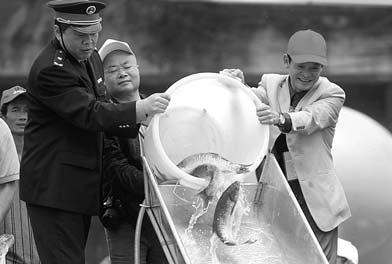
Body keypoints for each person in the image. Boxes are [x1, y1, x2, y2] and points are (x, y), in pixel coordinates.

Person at [19, 1, 170, 263]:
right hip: (54, 187)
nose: (89, 43)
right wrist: (139, 109)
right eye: (80, 36)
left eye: (94, 34)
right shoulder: (51, 69)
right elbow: (91, 112)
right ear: (58, 31)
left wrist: (141, 120)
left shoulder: (91, 58)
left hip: (79, 186)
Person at [222, 29, 351, 264]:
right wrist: (235, 85)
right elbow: (249, 101)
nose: (307, 74)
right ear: (286, 61)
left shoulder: (333, 93)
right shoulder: (270, 83)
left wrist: (281, 119)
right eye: (301, 66)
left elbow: (312, 118)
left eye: (315, 67)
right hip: (276, 194)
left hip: (315, 201)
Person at [98, 39, 168, 264]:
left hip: (166, 215)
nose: (122, 73)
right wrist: (154, 186)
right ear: (102, 80)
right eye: (112, 70)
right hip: (126, 218)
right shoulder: (102, 117)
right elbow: (114, 167)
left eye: (127, 67)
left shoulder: (164, 108)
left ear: (137, 69)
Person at [0, 86, 40, 263]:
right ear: (3, 116)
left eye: (28, 110)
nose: (23, 116)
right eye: (15, 110)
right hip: (6, 250)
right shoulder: (2, 160)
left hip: (39, 248)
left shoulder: (44, 159)